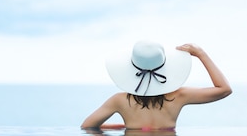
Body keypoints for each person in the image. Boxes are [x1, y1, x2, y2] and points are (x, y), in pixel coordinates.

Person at [81, 40, 232, 130]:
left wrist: (123, 127)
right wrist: (201, 54)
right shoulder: (179, 96)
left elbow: (87, 126)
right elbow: (224, 89)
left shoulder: (119, 101)